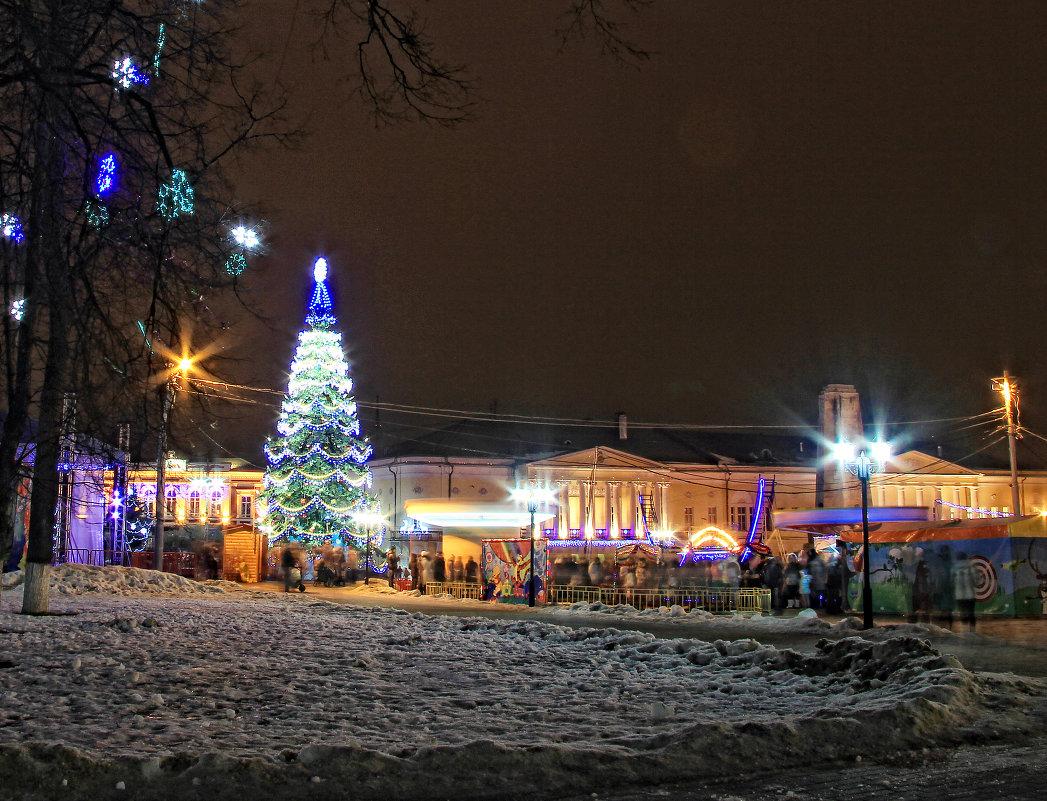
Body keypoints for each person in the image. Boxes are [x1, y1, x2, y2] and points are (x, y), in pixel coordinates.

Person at [953, 552, 977, 631]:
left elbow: (951, 581)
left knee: (962, 613)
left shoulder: (954, 567)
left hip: (959, 595)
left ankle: (965, 630)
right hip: (970, 594)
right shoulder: (971, 566)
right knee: (971, 613)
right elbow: (976, 580)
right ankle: (973, 630)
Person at [911, 552, 933, 623]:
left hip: (921, 592)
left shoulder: (920, 566)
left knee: (924, 614)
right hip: (920, 593)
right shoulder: (921, 566)